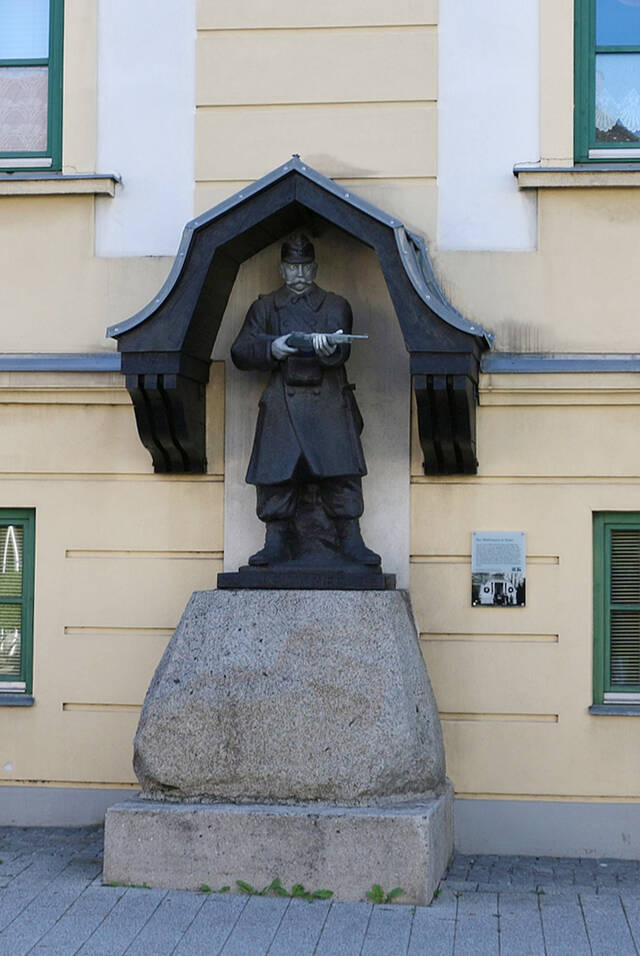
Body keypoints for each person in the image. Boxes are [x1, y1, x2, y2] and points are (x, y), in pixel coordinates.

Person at [231, 234, 380, 568]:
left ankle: (351, 539)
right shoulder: (265, 307)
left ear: (314, 267)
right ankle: (276, 541)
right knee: (276, 476)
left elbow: (343, 344)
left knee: (341, 474)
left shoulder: (334, 304)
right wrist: (272, 347)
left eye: (304, 267)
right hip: (282, 404)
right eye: (292, 267)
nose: (298, 274)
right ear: (282, 269)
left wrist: (331, 350)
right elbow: (240, 349)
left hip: (327, 402)